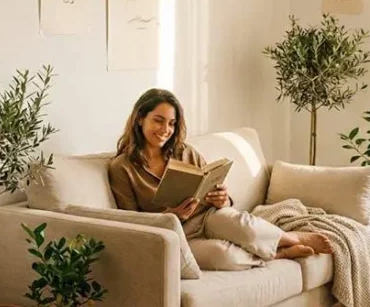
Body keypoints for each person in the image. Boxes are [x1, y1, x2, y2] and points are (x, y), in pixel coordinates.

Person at [107, 88, 330, 261]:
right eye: (158, 120)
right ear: (139, 119)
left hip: (209, 217)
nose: (166, 129)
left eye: (172, 123)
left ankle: (293, 237)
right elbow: (131, 223)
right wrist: (171, 215)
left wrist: (223, 198)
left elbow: (211, 184)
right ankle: (279, 254)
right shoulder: (122, 167)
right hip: (178, 234)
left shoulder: (185, 152)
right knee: (225, 256)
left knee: (241, 223)